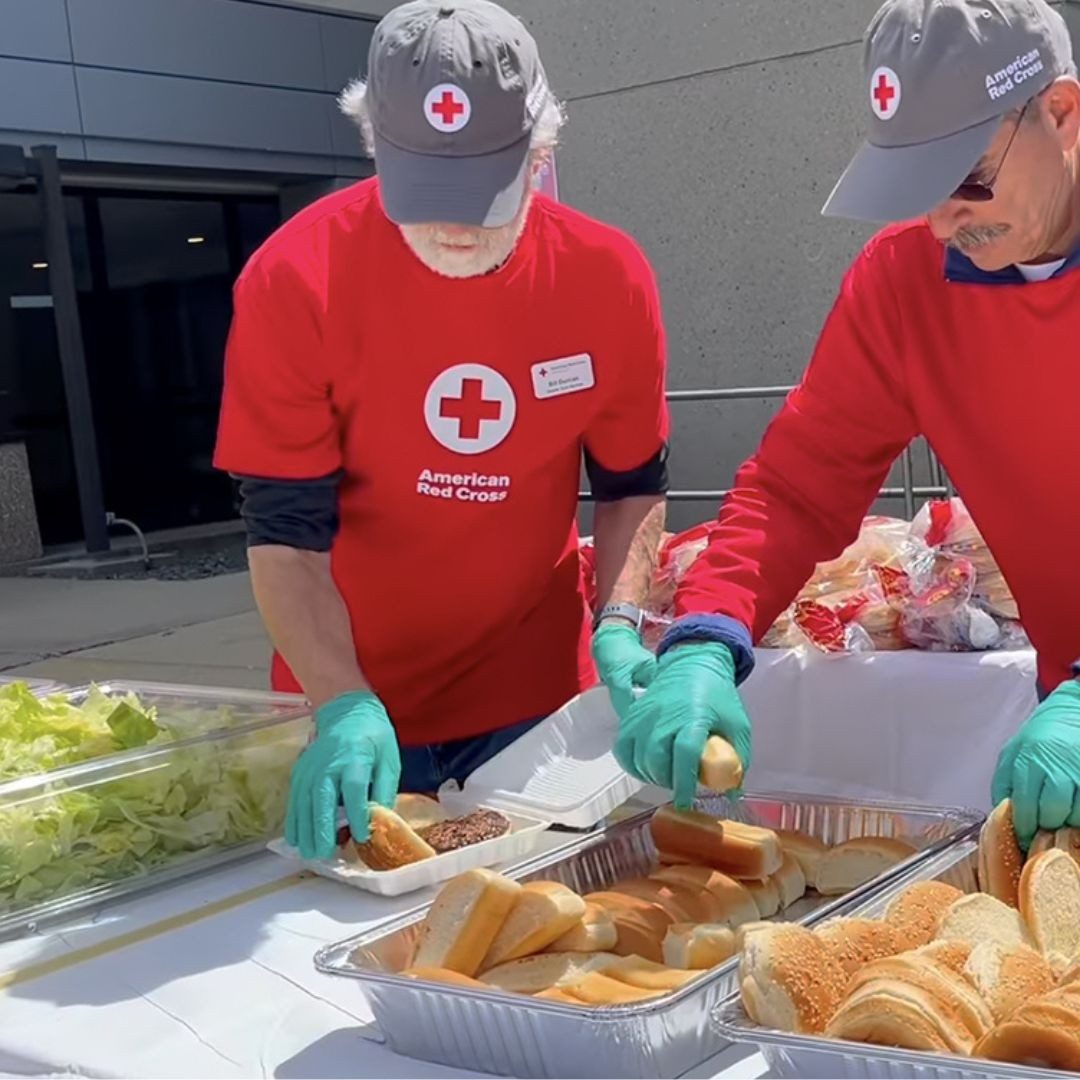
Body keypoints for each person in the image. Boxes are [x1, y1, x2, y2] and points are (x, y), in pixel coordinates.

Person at [214, 0, 670, 861]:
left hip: (536, 695)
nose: (457, 227)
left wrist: (620, 618)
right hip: (348, 690)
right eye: (426, 193)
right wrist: (341, 701)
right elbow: (286, 538)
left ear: (542, 152)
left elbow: (630, 485)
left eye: (486, 195)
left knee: (551, 929)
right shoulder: (294, 279)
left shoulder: (607, 278)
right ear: (374, 147)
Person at [618, 0, 1080, 847]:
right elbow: (798, 487)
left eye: (969, 176)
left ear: (1061, 112)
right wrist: (707, 633)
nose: (945, 219)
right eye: (916, 189)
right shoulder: (907, 282)